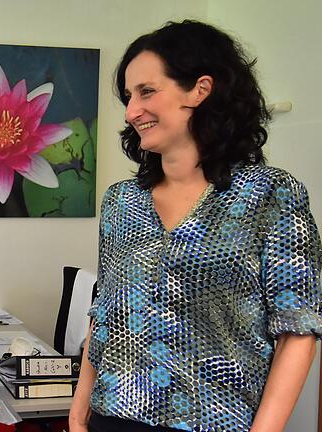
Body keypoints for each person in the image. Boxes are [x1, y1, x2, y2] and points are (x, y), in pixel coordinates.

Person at [69, 20, 321, 432]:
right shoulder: (121, 201)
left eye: (147, 91)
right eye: (129, 96)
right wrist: (79, 414)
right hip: (110, 419)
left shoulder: (270, 195)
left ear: (200, 89)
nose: (132, 111)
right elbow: (104, 314)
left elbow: (298, 331)